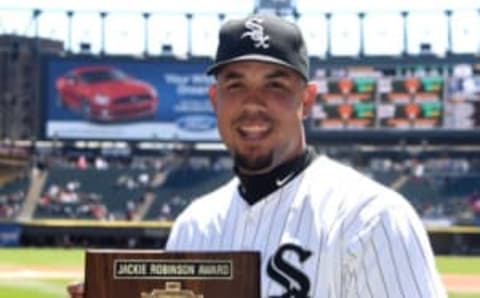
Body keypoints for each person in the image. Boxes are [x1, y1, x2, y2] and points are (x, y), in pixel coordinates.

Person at [68, 14, 446, 298]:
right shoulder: (194, 226)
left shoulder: (371, 218)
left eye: (275, 84)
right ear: (216, 101)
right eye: (235, 84)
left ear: (307, 100)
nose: (253, 104)